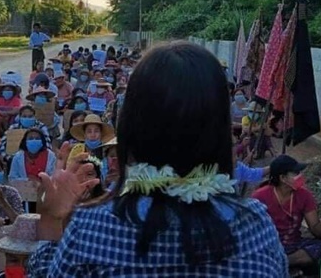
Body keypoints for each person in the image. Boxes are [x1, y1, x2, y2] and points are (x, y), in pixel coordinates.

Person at [28, 42, 287, 276]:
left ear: (130, 126)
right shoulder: (256, 227)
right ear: (219, 130)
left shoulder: (91, 228)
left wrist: (52, 218)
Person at [252, 155, 321, 272]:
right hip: (267, 246)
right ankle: (281, 263)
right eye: (296, 173)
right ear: (283, 178)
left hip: (293, 245)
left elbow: (317, 231)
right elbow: (251, 232)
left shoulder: (305, 195)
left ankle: (282, 262)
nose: (301, 176)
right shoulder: (260, 196)